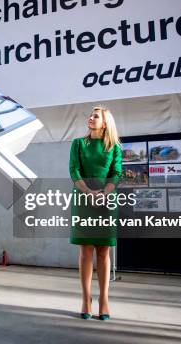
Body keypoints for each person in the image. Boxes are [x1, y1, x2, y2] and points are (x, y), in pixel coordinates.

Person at [69, 106, 122, 320]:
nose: (91, 118)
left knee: (103, 251)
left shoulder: (114, 146)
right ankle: (85, 299)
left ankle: (104, 300)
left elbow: (116, 173)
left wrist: (104, 193)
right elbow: (74, 170)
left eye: (96, 116)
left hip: (107, 200)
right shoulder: (78, 144)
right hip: (83, 198)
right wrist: (89, 192)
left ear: (106, 122)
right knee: (85, 250)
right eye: (90, 115)